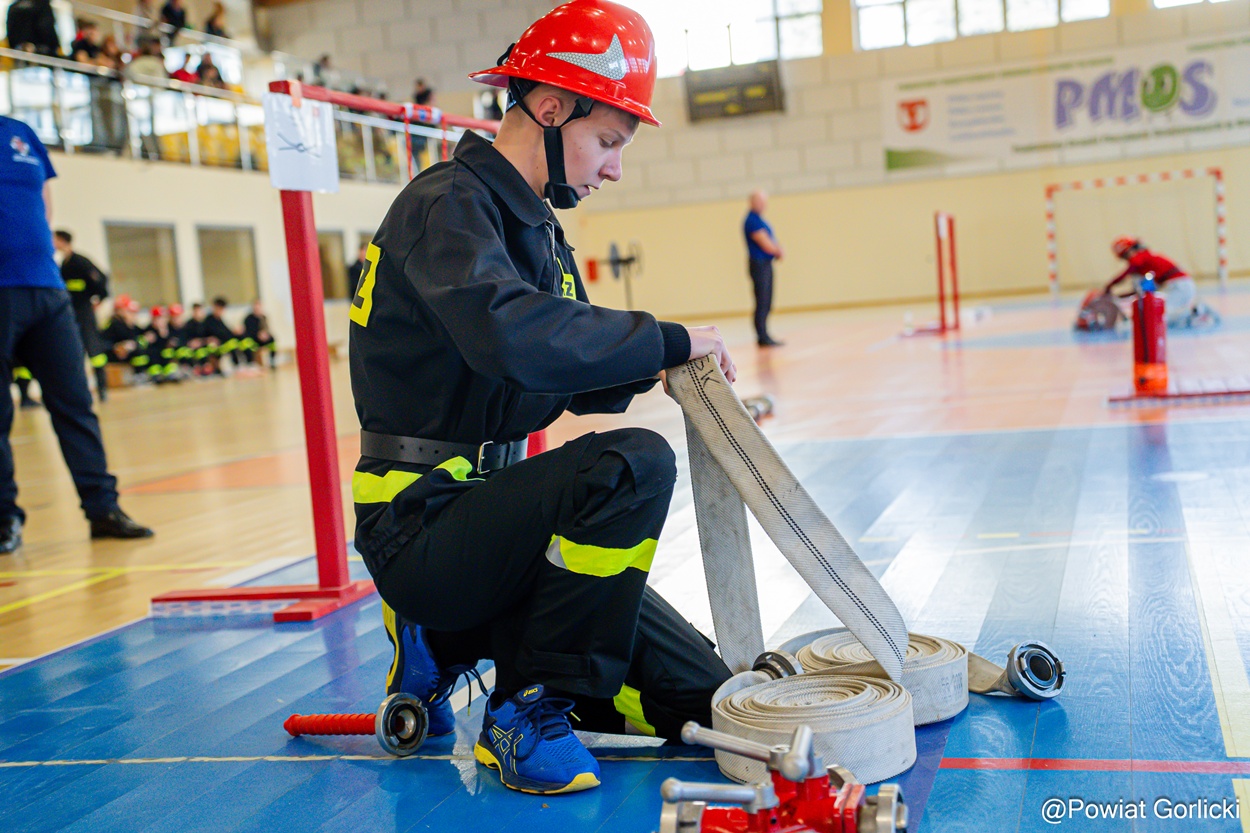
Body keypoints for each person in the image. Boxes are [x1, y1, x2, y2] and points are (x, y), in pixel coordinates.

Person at [350, 0, 735, 797]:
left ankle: (447, 642)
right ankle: (523, 707)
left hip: (493, 525)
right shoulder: (447, 206)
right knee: (632, 465)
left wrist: (665, 366)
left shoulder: (536, 230)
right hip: (421, 522)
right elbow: (515, 337)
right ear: (551, 109)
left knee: (707, 698)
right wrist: (664, 339)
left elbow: (564, 366)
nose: (614, 168)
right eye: (610, 141)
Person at [0, 115, 153, 553]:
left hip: (47, 291)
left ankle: (103, 509)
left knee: (76, 405)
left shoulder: (21, 133)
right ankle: (4, 519)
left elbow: (42, 203)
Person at [53, 231, 111, 402]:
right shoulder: (64, 264)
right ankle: (80, 390)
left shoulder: (80, 261)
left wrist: (100, 298)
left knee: (94, 349)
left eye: (54, 239)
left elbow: (101, 279)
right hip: (71, 313)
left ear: (62, 241)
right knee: (75, 350)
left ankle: (102, 388)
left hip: (84, 312)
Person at [1106, 237, 1200, 326]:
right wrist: (1117, 296)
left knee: (1161, 315)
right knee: (1159, 313)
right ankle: (1193, 312)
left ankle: (1197, 311)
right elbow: (1142, 292)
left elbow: (1129, 270)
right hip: (1177, 285)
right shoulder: (1146, 264)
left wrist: (1110, 285)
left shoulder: (1140, 257)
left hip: (1178, 286)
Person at [743, 190, 784, 347]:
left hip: (765, 264)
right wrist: (777, 250)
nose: (762, 205)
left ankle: (765, 334)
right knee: (762, 300)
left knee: (767, 300)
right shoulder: (752, 220)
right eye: (759, 201)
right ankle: (762, 335)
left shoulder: (759, 219)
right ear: (752, 202)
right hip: (759, 264)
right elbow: (764, 241)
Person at [240, 299, 276, 369]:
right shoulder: (248, 318)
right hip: (253, 339)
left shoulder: (263, 317)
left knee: (272, 339)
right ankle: (250, 362)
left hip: (262, 339)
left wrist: (265, 335)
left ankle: (272, 360)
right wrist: (258, 335)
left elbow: (266, 328)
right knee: (246, 342)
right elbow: (248, 331)